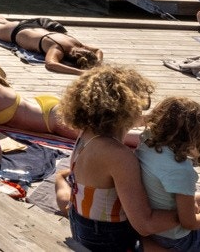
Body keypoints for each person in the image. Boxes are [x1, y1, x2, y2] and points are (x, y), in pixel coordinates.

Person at [57, 65, 178, 251]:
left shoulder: (88, 134)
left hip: (84, 229)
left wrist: (152, 118)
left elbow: (135, 120)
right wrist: (190, 214)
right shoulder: (119, 156)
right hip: (111, 242)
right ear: (126, 110)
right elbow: (144, 224)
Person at [137, 97, 200, 252]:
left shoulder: (147, 141)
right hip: (177, 238)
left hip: (159, 221)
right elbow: (189, 223)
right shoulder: (181, 171)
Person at [0, 4, 103, 74]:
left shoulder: (75, 42)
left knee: (3, 21)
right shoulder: (57, 49)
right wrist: (80, 73)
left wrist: (98, 61)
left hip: (31, 26)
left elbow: (98, 50)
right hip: (16, 34)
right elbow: (51, 64)